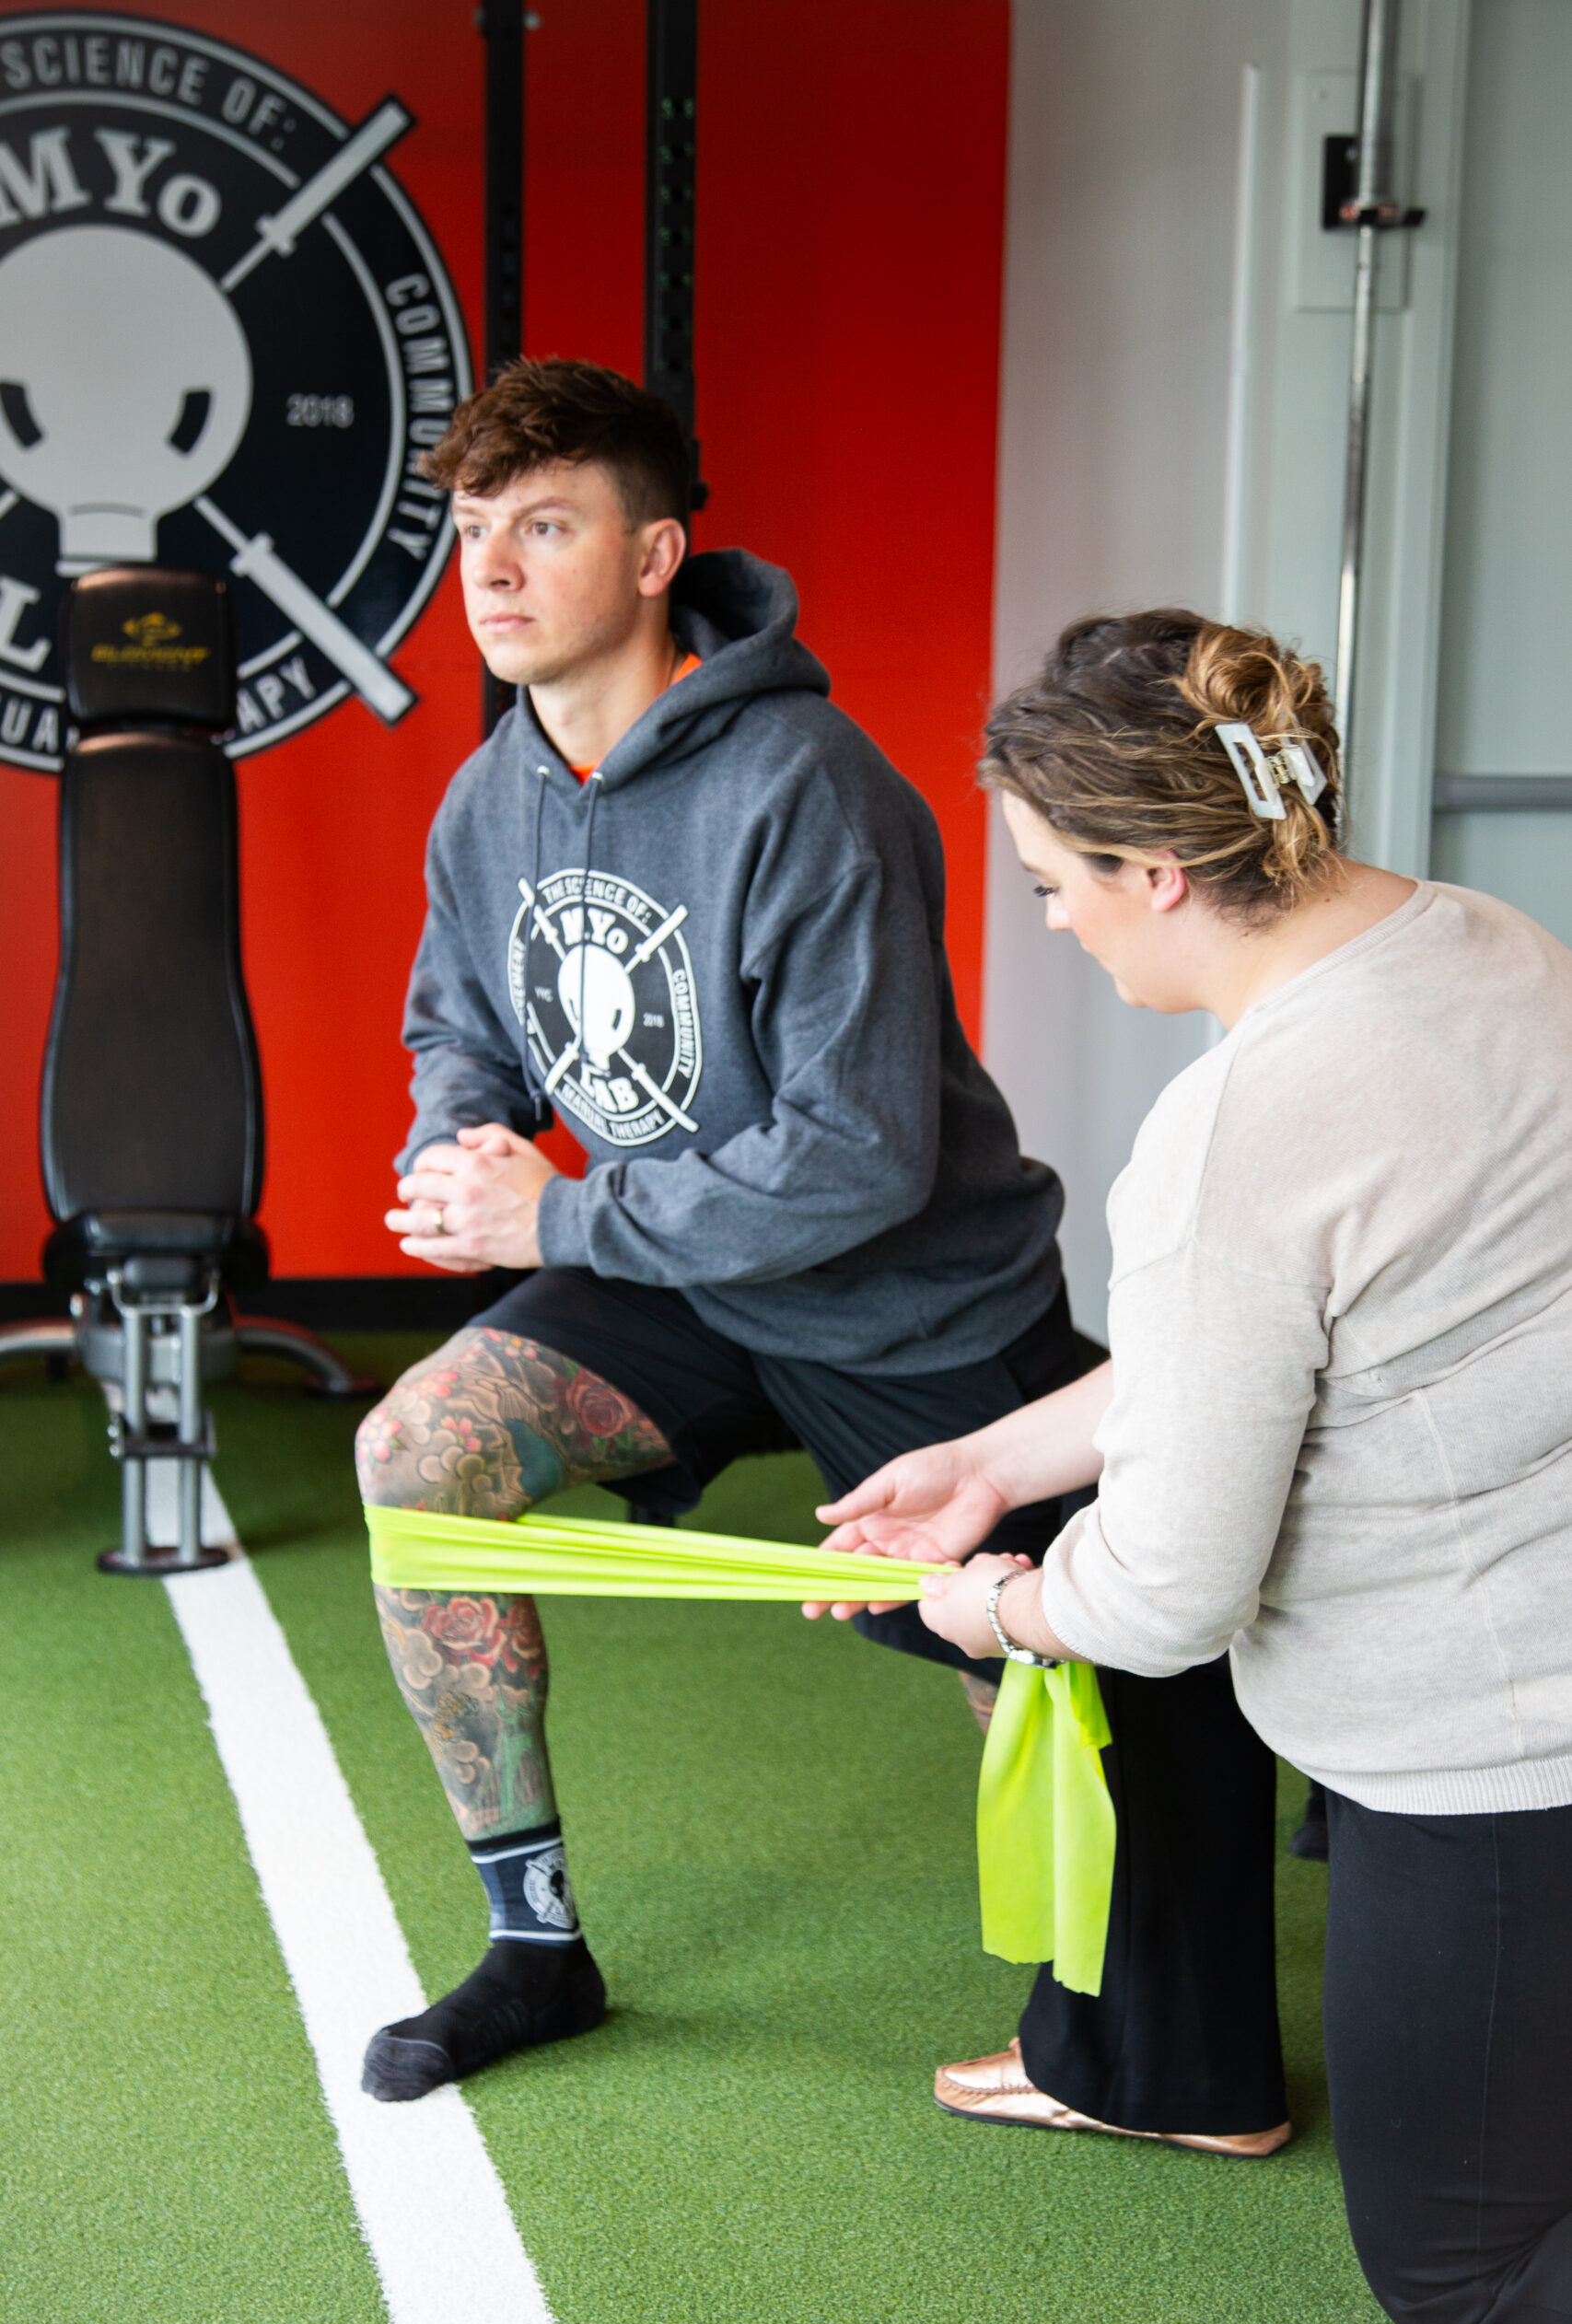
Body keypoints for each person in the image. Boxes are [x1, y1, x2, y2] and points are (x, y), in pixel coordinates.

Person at [821, 606, 1572, 2324]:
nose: (1053, 921)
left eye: (1051, 884)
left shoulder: (1236, 1132)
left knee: (1468, 2276)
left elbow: (1163, 1593)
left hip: (1498, 1750)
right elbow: (1284, 1350)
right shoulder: (1489, 943)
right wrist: (991, 1462)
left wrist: (996, 1607)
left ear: (1155, 872)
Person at [353, 356, 1082, 2102]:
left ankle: (1104, 1993)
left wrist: (560, 1211)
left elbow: (861, 1158)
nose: (494, 571)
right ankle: (535, 1947)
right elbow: (461, 1022)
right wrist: (458, 1152)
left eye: (546, 527)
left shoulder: (807, 785)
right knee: (417, 1452)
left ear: (658, 552)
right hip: (674, 1279)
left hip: (903, 1304)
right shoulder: (491, 794)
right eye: (475, 533)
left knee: (1043, 1644)